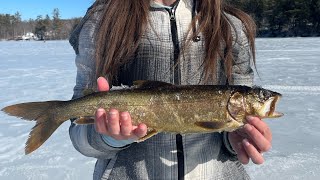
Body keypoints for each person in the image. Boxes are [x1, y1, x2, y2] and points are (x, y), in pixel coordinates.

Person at [69, 0, 272, 179]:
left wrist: (235, 137)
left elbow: (236, 124)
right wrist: (109, 136)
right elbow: (79, 135)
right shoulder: (103, 22)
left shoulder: (230, 25)